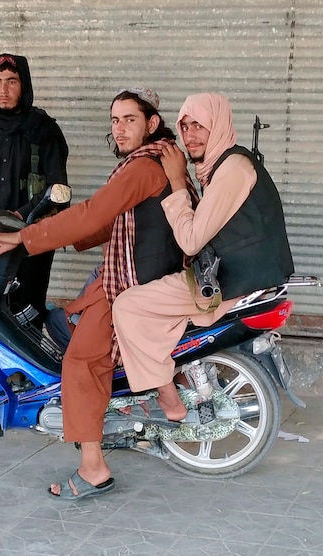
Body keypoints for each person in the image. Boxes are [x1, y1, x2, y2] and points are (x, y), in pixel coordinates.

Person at [0, 88, 196, 499]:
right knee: (65, 319)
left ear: (151, 123)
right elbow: (109, 220)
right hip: (134, 274)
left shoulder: (143, 167)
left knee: (81, 362)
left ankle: (93, 468)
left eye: (130, 119)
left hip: (133, 285)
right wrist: (56, 231)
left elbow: (95, 213)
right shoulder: (155, 160)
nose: (120, 129)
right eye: (114, 121)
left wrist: (25, 238)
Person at [112, 93, 294, 396]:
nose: (189, 136)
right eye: (184, 126)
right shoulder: (223, 164)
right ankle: (185, 376)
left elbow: (192, 240)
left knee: (128, 306)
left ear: (219, 126)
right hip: (239, 273)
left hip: (234, 280)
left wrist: (177, 183)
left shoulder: (232, 170)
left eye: (199, 126)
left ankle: (168, 398)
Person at [0, 53, 69, 328]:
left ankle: (26, 370)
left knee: (26, 312)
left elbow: (59, 189)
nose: (3, 91)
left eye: (11, 81)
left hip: (30, 239)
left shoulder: (45, 130)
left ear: (25, 85)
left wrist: (19, 214)